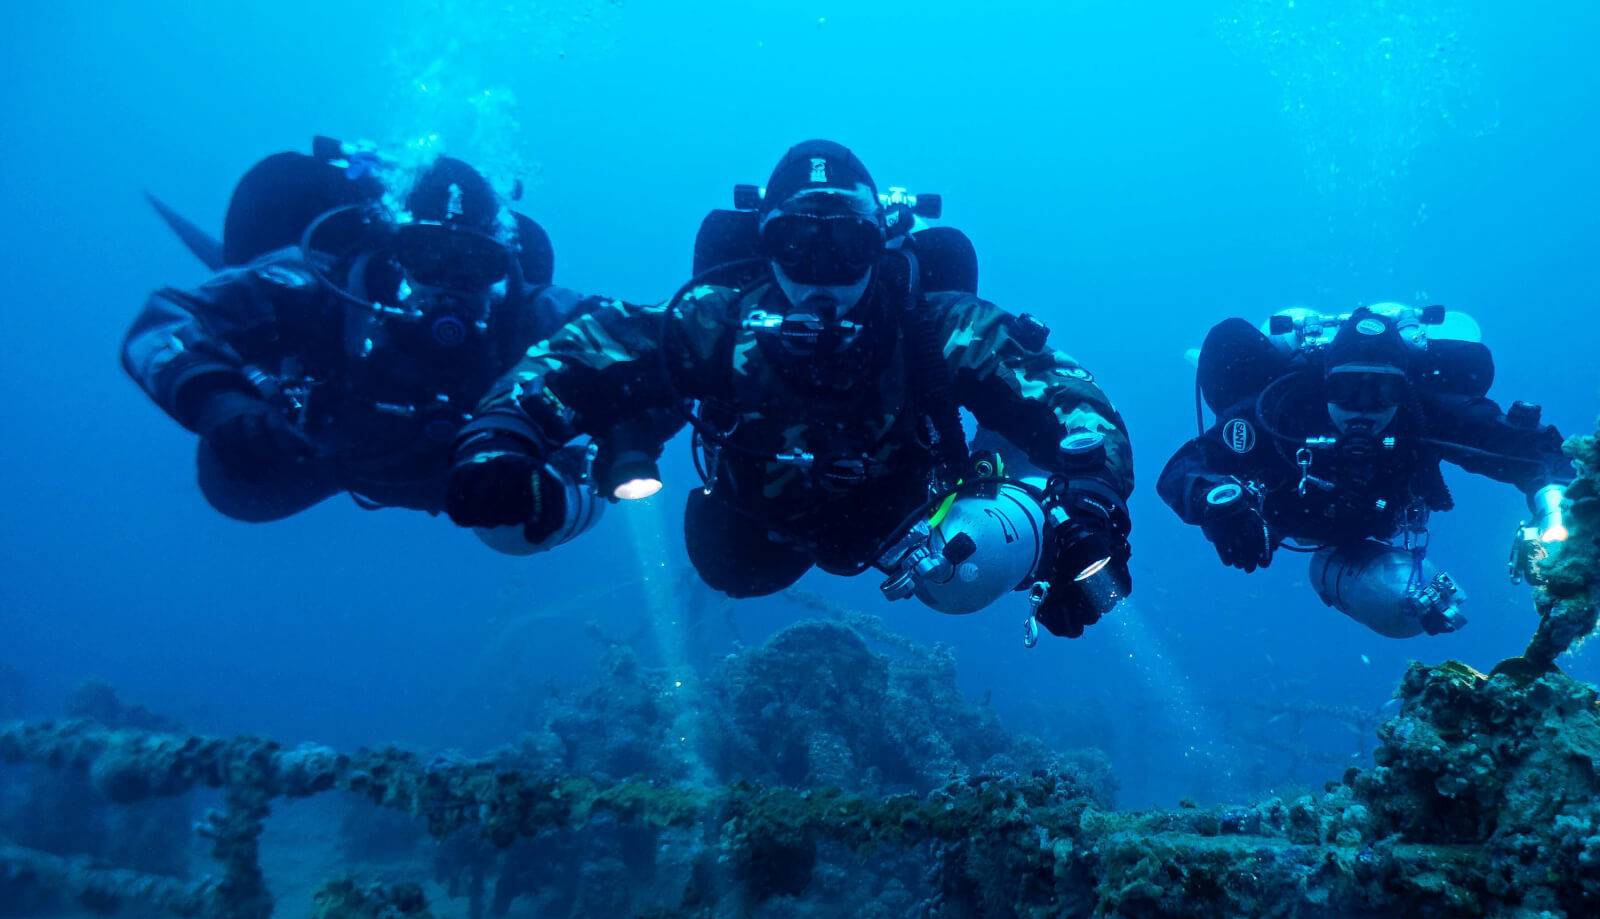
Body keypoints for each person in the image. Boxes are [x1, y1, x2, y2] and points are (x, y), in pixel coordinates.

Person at [444, 140, 1134, 640]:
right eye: (799, 247)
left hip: (916, 522)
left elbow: (1065, 389)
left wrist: (1092, 503)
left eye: (848, 248)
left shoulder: (930, 323)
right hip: (757, 521)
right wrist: (501, 434)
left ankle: (1032, 530)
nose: (823, 275)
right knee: (730, 568)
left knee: (971, 574)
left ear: (880, 247)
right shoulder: (716, 319)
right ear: (765, 248)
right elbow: (585, 346)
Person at [122, 137, 605, 551]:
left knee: (529, 524)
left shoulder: (526, 314)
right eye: (428, 255)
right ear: (394, 251)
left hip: (470, 478)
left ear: (502, 270)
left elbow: (623, 329)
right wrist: (218, 403)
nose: (451, 287)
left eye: (476, 265)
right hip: (314, 451)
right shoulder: (313, 283)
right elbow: (164, 321)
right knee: (235, 491)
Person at [1157, 304, 1574, 637]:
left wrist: (1553, 513)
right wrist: (1218, 506)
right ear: (1324, 384)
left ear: (1404, 390)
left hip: (1374, 518)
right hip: (1293, 514)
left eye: (1382, 391)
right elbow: (1184, 468)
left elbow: (1536, 453)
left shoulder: (1424, 412)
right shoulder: (1281, 408)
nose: (1363, 408)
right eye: (1347, 390)